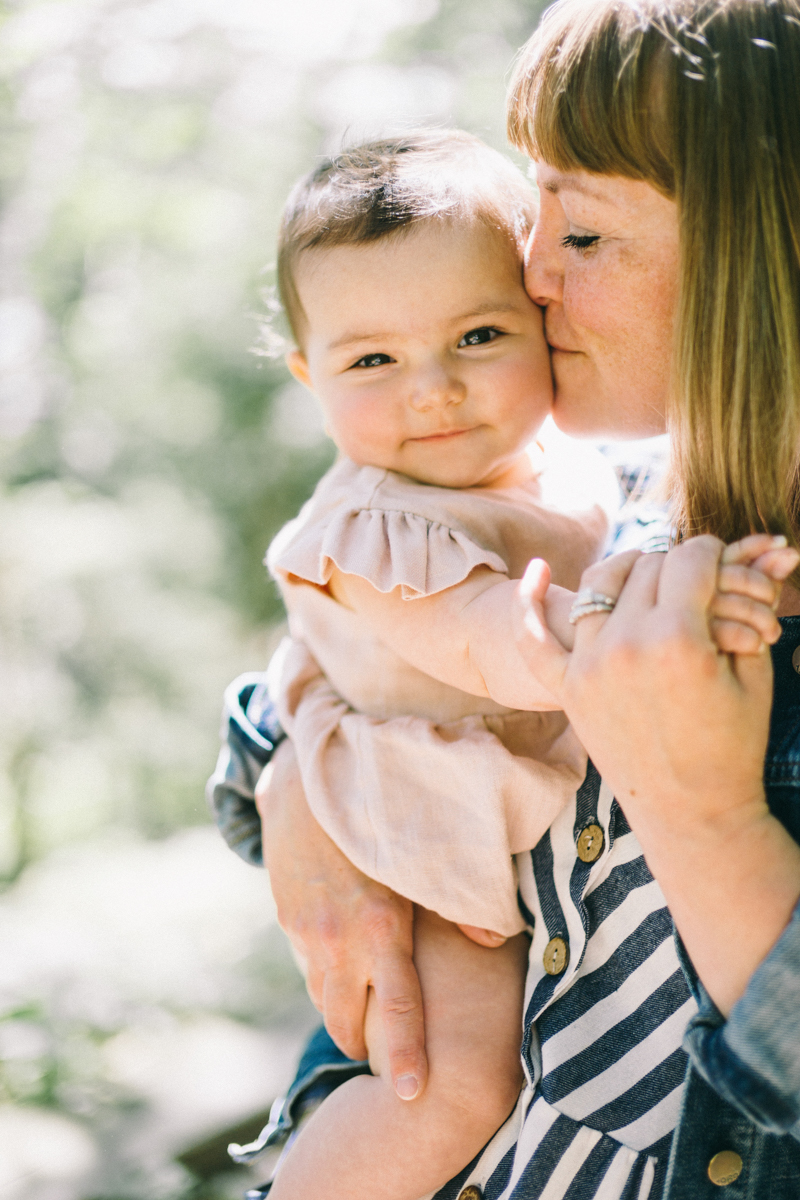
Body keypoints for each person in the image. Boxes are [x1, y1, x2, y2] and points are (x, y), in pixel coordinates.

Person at [214, 1, 800, 1196]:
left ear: (761, 251)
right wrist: (296, 781)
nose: (526, 276)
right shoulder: (622, 501)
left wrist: (705, 818)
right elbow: (344, 662)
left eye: (577, 233)